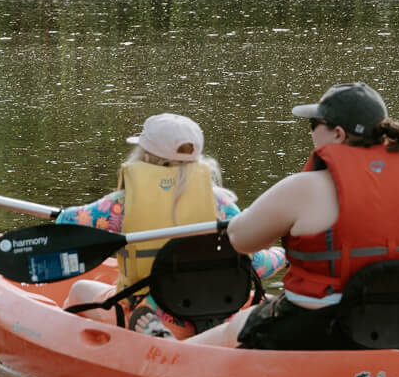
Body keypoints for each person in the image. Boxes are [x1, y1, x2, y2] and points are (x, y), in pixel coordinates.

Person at [189, 82, 399, 349]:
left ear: (337, 133)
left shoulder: (301, 189)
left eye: (313, 126)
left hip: (321, 330)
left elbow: (241, 240)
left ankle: (167, 356)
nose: (311, 134)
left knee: (238, 325)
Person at [54, 113, 286, 338]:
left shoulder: (120, 205)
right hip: (218, 316)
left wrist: (63, 215)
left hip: (149, 313)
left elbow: (68, 224)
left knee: (80, 290)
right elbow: (253, 265)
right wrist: (282, 254)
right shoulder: (222, 205)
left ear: (145, 157)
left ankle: (73, 349)